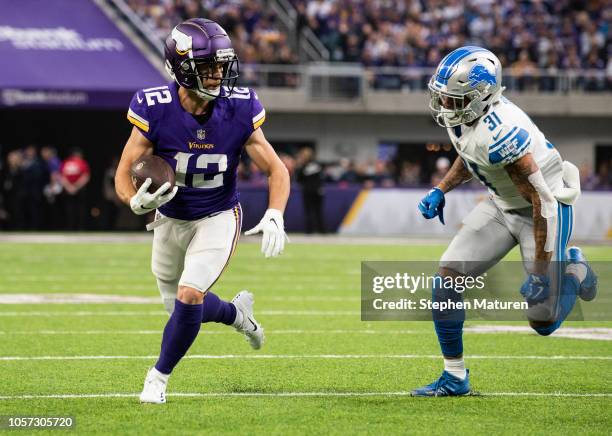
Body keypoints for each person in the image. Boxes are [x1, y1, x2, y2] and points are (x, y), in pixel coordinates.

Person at [114, 18, 290, 404]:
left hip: (218, 215)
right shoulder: (154, 107)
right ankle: (238, 315)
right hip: (169, 218)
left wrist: (275, 212)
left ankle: (157, 379)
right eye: (207, 67)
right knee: (178, 305)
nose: (217, 75)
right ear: (179, 68)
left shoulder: (240, 107)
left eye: (220, 65)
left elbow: (277, 168)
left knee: (190, 296)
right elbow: (124, 171)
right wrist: (133, 200)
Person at [414, 46, 598, 396]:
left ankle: (575, 269)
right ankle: (454, 377)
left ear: (481, 97)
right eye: (444, 97)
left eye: (455, 99)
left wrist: (542, 275)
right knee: (447, 280)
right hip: (502, 204)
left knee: (542, 320)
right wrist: (441, 188)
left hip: (543, 209)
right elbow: (470, 156)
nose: (445, 106)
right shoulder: (466, 118)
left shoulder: (503, 133)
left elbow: (541, 201)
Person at [295, 147, 325, 233]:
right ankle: (318, 230)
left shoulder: (309, 166)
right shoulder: (311, 166)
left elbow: (299, 180)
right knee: (314, 211)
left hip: (312, 191)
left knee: (314, 211)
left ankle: (314, 230)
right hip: (312, 191)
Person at [60, 148, 90, 230]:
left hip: (69, 189)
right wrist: (75, 187)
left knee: (70, 209)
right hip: (78, 190)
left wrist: (70, 187)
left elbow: (62, 177)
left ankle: (70, 227)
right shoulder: (82, 163)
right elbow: (86, 177)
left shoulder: (66, 162)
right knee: (77, 210)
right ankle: (79, 228)